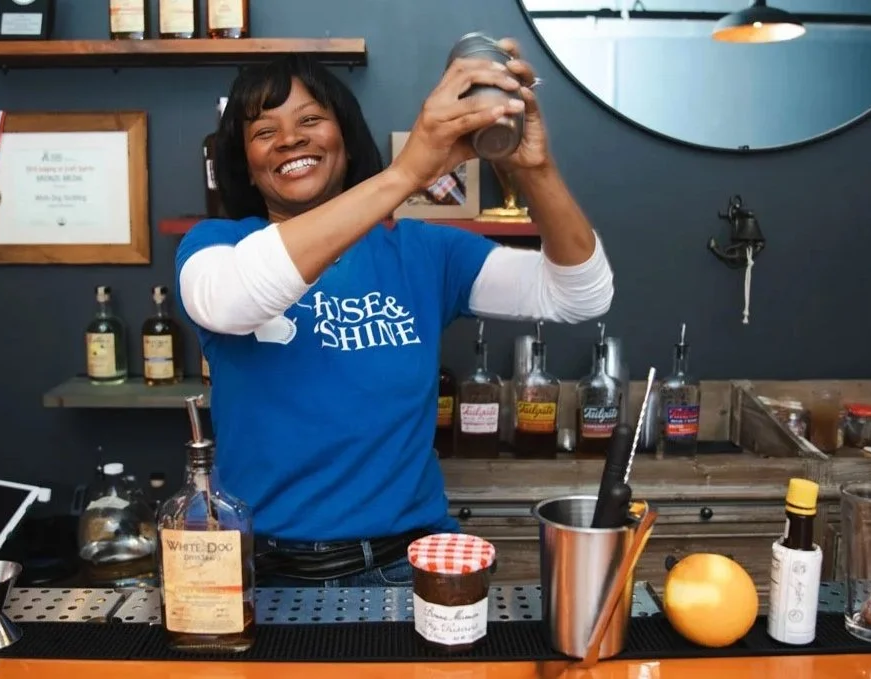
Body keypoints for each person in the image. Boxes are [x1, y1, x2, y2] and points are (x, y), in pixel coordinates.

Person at [175, 39, 614, 588]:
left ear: (347, 137)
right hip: (268, 575)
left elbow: (579, 294)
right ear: (244, 162)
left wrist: (535, 167)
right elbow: (232, 300)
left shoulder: (425, 252)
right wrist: (406, 175)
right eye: (264, 132)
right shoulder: (217, 247)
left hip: (408, 567)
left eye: (311, 118)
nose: (289, 139)